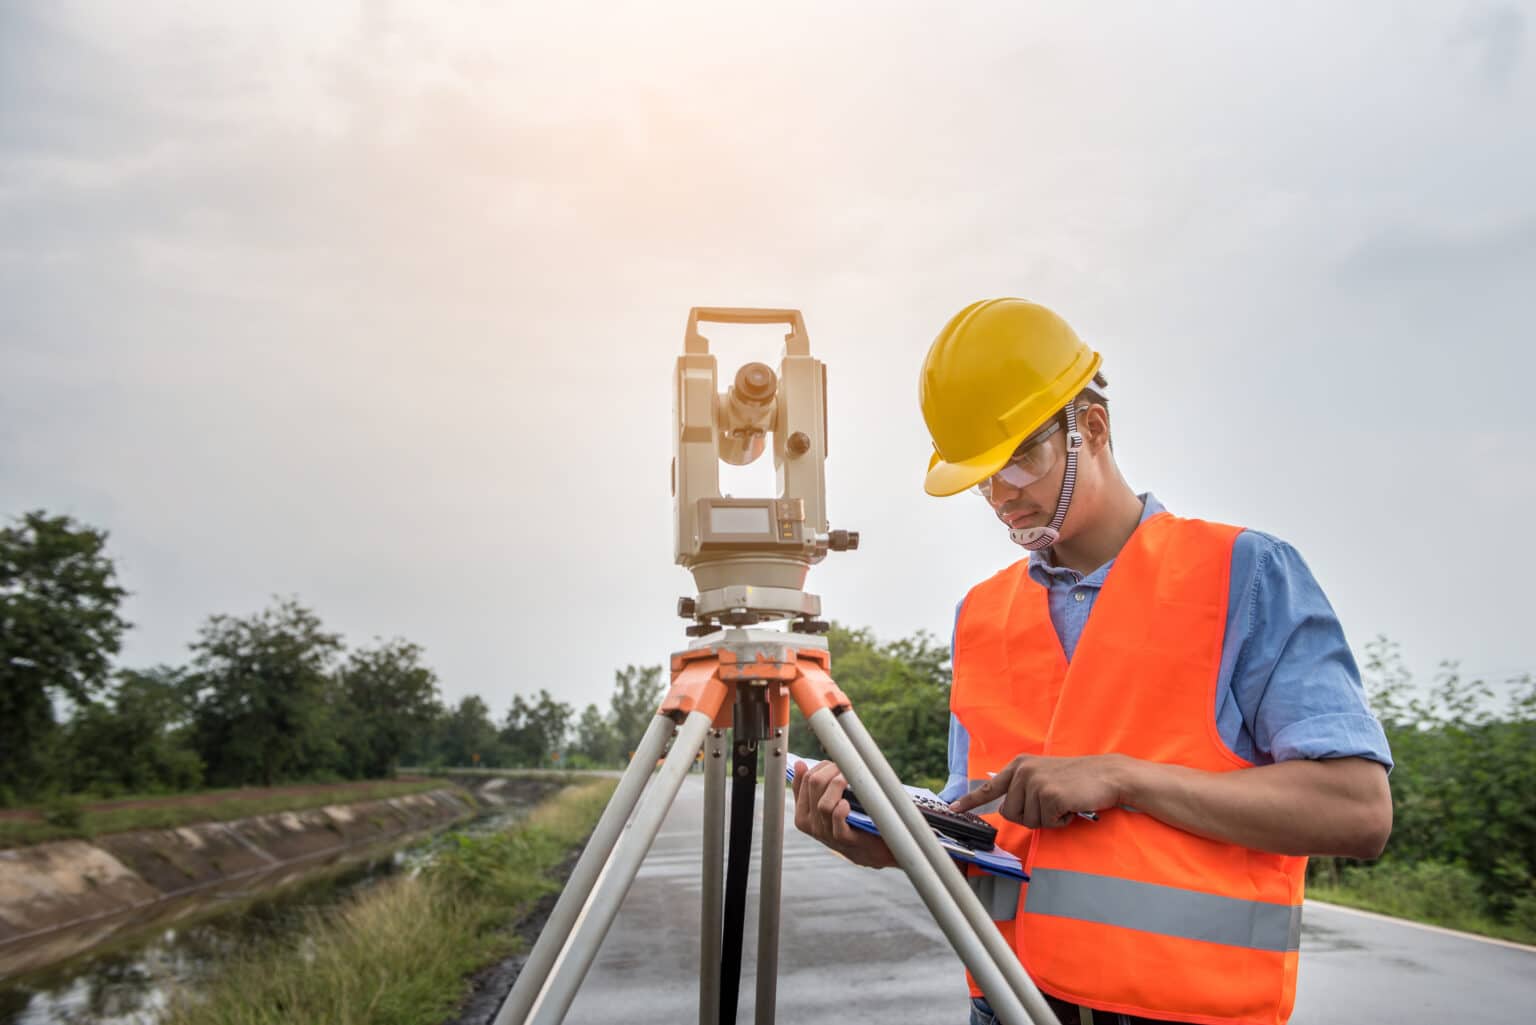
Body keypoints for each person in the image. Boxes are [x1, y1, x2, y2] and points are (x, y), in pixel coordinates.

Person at [792, 298, 1393, 1025]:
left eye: (1020, 458)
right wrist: (881, 841)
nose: (1001, 494)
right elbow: (981, 843)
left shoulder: (1244, 573)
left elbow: (1359, 811)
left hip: (1189, 1013)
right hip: (1009, 1004)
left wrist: (1121, 776)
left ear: (1093, 429)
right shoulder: (980, 615)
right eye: (981, 474)